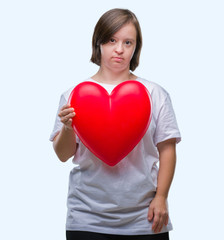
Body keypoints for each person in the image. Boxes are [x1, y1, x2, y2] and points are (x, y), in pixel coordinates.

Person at [50, 8, 181, 240]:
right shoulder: (75, 94)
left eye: (128, 42)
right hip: (87, 218)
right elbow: (63, 155)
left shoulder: (155, 93)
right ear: (98, 42)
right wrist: (68, 128)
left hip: (145, 219)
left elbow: (167, 150)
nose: (119, 49)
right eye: (112, 40)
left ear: (136, 48)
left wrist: (161, 197)